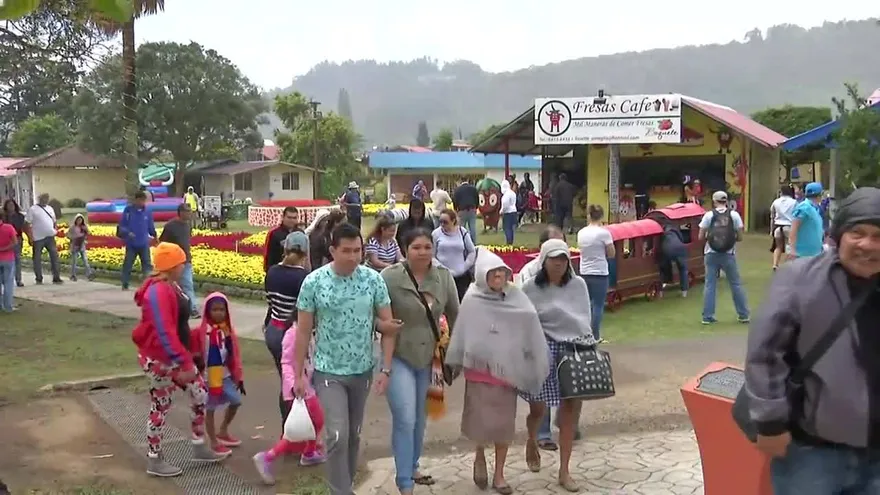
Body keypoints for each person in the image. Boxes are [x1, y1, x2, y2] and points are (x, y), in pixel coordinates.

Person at [742, 187, 880, 494]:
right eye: (858, 233)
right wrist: (770, 423)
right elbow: (765, 353)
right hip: (813, 453)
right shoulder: (800, 280)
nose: (868, 245)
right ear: (839, 235)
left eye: (879, 236)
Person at [292, 223, 401, 495]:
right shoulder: (314, 282)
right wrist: (298, 375)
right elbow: (303, 331)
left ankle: (345, 485)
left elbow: (389, 327)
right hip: (328, 371)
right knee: (337, 435)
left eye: (357, 251)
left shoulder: (372, 280)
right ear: (332, 251)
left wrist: (385, 369)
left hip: (362, 369)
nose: (353, 257)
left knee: (352, 435)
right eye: (346, 251)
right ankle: (340, 491)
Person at [445, 248, 549, 494]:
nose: (498, 278)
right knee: (480, 423)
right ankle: (479, 455)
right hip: (479, 372)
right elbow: (463, 331)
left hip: (507, 370)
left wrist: (528, 352)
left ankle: (500, 474)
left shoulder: (515, 297)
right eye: (493, 274)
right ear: (483, 275)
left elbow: (529, 319)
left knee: (503, 425)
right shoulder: (472, 298)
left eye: (501, 273)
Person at [131, 242, 225, 477]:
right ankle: (154, 458)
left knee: (200, 393)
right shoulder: (159, 291)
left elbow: (178, 325)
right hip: (160, 359)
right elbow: (165, 331)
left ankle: (198, 443)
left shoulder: (170, 286)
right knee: (161, 404)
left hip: (174, 355)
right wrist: (183, 362)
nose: (185, 265)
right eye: (181, 261)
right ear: (173, 265)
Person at [381, 228, 460, 494]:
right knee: (404, 417)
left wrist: (456, 354)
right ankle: (404, 482)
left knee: (419, 418)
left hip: (429, 358)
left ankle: (412, 465)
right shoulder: (389, 278)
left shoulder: (443, 278)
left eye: (428, 246)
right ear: (405, 250)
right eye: (416, 247)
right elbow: (373, 314)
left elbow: (456, 316)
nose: (423, 252)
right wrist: (383, 326)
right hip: (398, 355)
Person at [521, 239, 596, 492]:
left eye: (563, 258)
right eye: (554, 258)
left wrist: (587, 348)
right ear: (544, 260)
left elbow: (585, 319)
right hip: (542, 350)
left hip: (573, 350)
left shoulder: (579, 285)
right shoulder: (531, 287)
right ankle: (532, 439)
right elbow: (524, 321)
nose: (559, 263)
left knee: (569, 413)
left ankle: (564, 471)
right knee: (538, 409)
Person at [254, 264, 327, 484]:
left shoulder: (306, 332)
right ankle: (268, 457)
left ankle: (310, 451)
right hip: (299, 387)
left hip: (305, 384)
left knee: (314, 422)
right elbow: (286, 362)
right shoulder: (294, 334)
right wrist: (295, 383)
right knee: (303, 427)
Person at [262, 232, 316, 434]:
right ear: (305, 253)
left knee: (286, 381)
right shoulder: (304, 278)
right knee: (301, 382)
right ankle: (299, 430)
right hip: (293, 335)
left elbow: (270, 303)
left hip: (273, 330)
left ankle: (287, 428)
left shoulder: (272, 272)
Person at [189, 293, 245, 456]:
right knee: (210, 409)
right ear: (207, 311)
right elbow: (192, 352)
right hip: (208, 378)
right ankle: (213, 441)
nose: (218, 313)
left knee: (236, 401)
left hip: (225, 375)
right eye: (214, 309)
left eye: (222, 309)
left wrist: (238, 376)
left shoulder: (227, 331)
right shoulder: (200, 332)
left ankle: (223, 431)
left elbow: (234, 354)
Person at [698, 191, 750, 325]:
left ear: (714, 201)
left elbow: (700, 236)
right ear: (726, 201)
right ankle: (743, 314)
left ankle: (707, 316)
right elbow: (740, 237)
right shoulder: (734, 215)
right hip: (728, 254)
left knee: (710, 284)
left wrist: (712, 238)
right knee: (735, 284)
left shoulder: (708, 215)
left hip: (710, 253)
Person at [577, 205, 614, 341]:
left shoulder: (581, 233)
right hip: (599, 272)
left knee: (586, 306)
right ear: (601, 216)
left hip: (584, 271)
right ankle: (595, 335)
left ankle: (584, 334)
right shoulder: (604, 233)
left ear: (589, 215)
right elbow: (611, 253)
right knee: (598, 305)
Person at [160, 203, 198, 317]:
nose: (190, 214)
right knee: (178, 286)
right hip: (174, 261)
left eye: (190, 211)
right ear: (180, 212)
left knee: (187, 285)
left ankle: (191, 308)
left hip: (186, 260)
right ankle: (187, 309)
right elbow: (163, 242)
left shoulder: (187, 225)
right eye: (187, 211)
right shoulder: (170, 226)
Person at [432, 209, 476, 301]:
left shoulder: (462, 232)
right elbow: (432, 256)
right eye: (440, 222)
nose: (442, 225)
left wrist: (464, 267)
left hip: (461, 276)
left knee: (461, 303)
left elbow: (472, 251)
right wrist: (442, 268)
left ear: (453, 221)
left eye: (445, 222)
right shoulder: (436, 234)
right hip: (442, 276)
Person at [119, 191, 157, 290]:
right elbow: (122, 225)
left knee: (147, 265)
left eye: (144, 200)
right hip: (131, 243)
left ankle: (147, 285)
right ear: (136, 200)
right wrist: (128, 232)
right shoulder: (128, 211)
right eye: (140, 200)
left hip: (144, 243)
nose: (142, 202)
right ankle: (125, 283)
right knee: (128, 264)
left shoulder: (147, 211)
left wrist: (155, 235)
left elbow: (150, 226)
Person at [25, 193, 62, 285]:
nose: (45, 200)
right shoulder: (33, 209)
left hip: (50, 237)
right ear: (39, 199)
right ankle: (39, 278)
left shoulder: (50, 209)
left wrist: (55, 229)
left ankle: (56, 277)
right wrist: (30, 237)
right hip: (38, 238)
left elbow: (54, 221)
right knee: (37, 258)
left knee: (54, 257)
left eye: (46, 198)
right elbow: (27, 224)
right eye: (43, 198)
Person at [788, 182, 825, 260]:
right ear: (819, 194)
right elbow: (794, 228)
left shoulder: (815, 208)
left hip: (814, 254)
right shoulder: (804, 207)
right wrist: (792, 250)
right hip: (802, 255)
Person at [263, 206, 300, 272]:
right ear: (283, 217)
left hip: (296, 272)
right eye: (289, 217)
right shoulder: (274, 234)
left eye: (294, 218)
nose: (291, 220)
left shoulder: (300, 233)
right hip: (279, 271)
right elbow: (269, 256)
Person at [769, 185, 797, 270]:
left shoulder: (776, 202)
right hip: (789, 226)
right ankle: (788, 265)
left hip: (777, 226)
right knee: (790, 246)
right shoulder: (794, 202)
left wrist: (771, 230)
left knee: (778, 247)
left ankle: (775, 264)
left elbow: (772, 216)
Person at [658, 222, 689, 297]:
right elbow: (682, 239)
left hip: (667, 249)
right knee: (683, 269)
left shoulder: (662, 233)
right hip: (680, 248)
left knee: (662, 268)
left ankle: (661, 291)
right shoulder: (675, 230)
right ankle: (684, 292)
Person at [2, 199, 24, 287]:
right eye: (9, 205)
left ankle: (18, 279)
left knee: (17, 259)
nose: (11, 207)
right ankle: (5, 279)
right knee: (6, 260)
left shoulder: (20, 216)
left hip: (17, 239)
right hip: (6, 240)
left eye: (12, 205)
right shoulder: (3, 216)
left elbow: (22, 227)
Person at [66, 214, 95, 281]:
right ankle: (73, 275)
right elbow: (68, 235)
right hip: (75, 245)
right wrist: (73, 238)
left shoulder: (84, 227)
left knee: (85, 260)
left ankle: (89, 274)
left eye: (81, 220)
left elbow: (87, 234)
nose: (79, 221)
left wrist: (85, 234)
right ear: (76, 220)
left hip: (82, 245)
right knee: (74, 261)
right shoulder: (73, 227)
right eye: (78, 220)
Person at [0, 212, 19, 313]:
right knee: (8, 283)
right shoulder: (8, 227)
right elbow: (15, 242)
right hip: (8, 258)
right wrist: (4, 249)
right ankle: (8, 306)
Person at [453, 177, 480, 245]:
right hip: (472, 209)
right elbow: (477, 198)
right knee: (472, 227)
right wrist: (476, 207)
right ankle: (473, 243)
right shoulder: (473, 188)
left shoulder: (458, 189)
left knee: (462, 228)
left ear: (461, 181)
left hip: (462, 210)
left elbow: (455, 199)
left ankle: (462, 242)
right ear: (467, 180)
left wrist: (456, 209)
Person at [500, 179, 518, 245]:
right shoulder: (512, 193)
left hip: (508, 213)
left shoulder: (506, 195)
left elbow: (505, 204)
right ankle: (511, 242)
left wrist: (501, 211)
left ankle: (509, 242)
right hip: (514, 211)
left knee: (507, 228)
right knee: (511, 228)